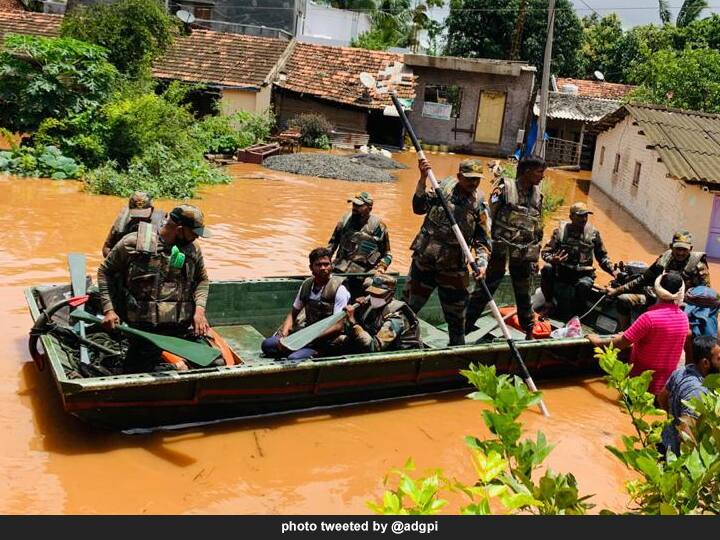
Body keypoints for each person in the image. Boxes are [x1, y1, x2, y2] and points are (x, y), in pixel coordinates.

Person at [97, 204, 213, 373]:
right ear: (180, 229)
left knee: (215, 363)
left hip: (180, 327)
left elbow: (202, 279)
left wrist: (200, 311)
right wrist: (109, 310)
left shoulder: (193, 250)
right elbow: (105, 272)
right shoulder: (133, 244)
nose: (197, 238)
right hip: (145, 330)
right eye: (194, 233)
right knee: (136, 373)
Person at [403, 158, 492, 346]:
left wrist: (482, 264)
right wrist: (422, 179)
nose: (474, 183)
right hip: (425, 262)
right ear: (459, 176)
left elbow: (483, 241)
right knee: (408, 310)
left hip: (453, 269)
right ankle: (399, 345)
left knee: (457, 320)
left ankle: (456, 353)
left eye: (477, 179)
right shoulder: (441, 188)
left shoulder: (479, 204)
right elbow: (418, 208)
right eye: (469, 179)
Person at [465, 156, 546, 338]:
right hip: (499, 249)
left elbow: (538, 227)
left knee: (523, 294)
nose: (542, 177)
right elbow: (487, 220)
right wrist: (484, 251)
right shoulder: (504, 190)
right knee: (485, 288)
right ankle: (465, 327)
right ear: (527, 171)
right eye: (539, 172)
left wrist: (535, 257)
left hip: (523, 252)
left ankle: (529, 331)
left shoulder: (537, 195)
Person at [587, 272, 690, 396]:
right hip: (664, 390)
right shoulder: (684, 318)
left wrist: (596, 341)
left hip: (639, 386)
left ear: (656, 290)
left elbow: (621, 343)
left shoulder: (648, 318)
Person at [607, 230, 711, 330]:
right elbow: (643, 279)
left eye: (684, 249)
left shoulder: (698, 267)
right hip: (656, 299)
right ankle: (626, 335)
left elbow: (706, 295)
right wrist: (617, 291)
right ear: (671, 247)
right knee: (623, 300)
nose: (680, 252)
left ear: (691, 249)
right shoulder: (664, 260)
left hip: (680, 306)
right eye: (678, 249)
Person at [261, 247, 350, 361]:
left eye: (326, 264)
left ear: (331, 266)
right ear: (311, 268)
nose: (323, 268)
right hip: (305, 335)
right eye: (318, 265)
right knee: (267, 345)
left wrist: (306, 340)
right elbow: (293, 314)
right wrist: (283, 336)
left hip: (325, 341)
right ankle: (295, 349)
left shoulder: (339, 289)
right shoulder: (307, 285)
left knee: (293, 358)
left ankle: (310, 352)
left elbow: (338, 326)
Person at [539, 202, 618, 316]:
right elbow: (545, 253)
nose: (584, 219)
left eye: (586, 215)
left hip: (582, 275)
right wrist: (553, 259)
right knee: (547, 268)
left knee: (585, 284)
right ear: (571, 217)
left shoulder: (593, 234)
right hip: (562, 272)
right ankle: (548, 303)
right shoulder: (560, 232)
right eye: (580, 216)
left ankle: (576, 314)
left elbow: (602, 257)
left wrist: (614, 271)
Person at [657, 335, 720, 456]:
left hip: (665, 440)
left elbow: (662, 397)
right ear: (706, 363)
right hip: (674, 454)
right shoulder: (697, 391)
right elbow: (685, 433)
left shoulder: (684, 370)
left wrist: (675, 417)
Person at [327, 191, 392, 299]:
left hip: (364, 275)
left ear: (369, 208)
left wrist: (381, 268)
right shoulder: (344, 221)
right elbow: (331, 246)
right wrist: (324, 264)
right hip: (340, 271)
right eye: (353, 205)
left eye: (359, 206)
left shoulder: (378, 227)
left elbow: (387, 254)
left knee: (374, 288)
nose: (354, 208)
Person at [340, 274, 421, 353]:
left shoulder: (396, 317)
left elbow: (374, 347)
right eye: (372, 293)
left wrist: (354, 323)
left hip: (401, 358)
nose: (374, 297)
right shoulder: (372, 306)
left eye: (378, 294)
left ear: (391, 294)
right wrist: (358, 311)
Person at [102, 191, 166, 257]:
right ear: (130, 209)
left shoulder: (161, 222)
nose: (139, 219)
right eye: (136, 215)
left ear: (152, 210)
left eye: (144, 215)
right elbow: (107, 247)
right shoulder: (122, 221)